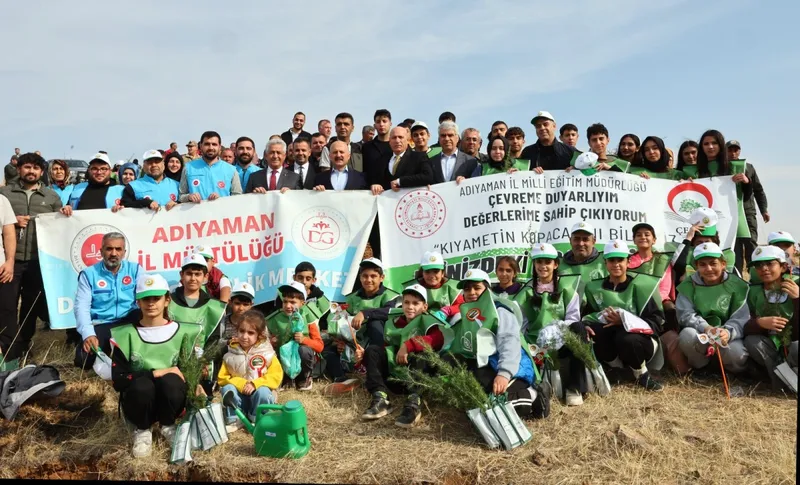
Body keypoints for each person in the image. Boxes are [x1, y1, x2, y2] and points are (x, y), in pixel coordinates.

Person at [109, 273, 203, 458]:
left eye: (156, 298)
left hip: (171, 399)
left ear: (167, 300)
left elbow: (190, 372)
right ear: (138, 302)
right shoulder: (124, 335)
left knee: (172, 382)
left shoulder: (183, 332)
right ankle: (143, 429)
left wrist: (198, 385)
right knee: (142, 386)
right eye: (145, 299)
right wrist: (156, 372)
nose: (151, 303)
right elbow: (119, 380)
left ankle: (168, 425)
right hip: (140, 399)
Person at [445, 269, 548, 419]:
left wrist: (504, 374)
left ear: (488, 289)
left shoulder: (500, 310)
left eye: (477, 287)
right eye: (467, 289)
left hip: (512, 367)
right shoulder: (466, 314)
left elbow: (509, 342)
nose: (471, 292)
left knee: (510, 409)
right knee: (484, 405)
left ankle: (534, 394)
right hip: (485, 366)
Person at [0, 154, 61, 366]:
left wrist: (66, 213)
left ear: (42, 172)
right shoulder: (5, 194)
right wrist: (12, 221)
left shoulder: (51, 196)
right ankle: (8, 349)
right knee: (7, 306)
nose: (31, 171)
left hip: (38, 260)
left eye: (36, 168)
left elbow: (60, 223)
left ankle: (24, 344)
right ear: (19, 169)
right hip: (11, 260)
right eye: (27, 167)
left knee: (30, 306)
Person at [582, 239, 665, 391]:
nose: (616, 264)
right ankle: (617, 369)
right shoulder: (594, 287)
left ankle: (641, 374)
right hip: (612, 340)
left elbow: (656, 320)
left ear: (628, 262)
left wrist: (626, 322)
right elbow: (589, 315)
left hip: (640, 342)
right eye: (611, 260)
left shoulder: (642, 285)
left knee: (626, 338)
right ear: (605, 263)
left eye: (620, 260)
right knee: (597, 331)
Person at [361, 284, 448, 427]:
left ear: (425, 307)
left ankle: (413, 404)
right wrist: (364, 358)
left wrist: (409, 345)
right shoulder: (395, 322)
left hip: (417, 378)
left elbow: (437, 340)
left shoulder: (429, 322)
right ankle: (381, 398)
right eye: (406, 302)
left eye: (416, 303)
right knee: (373, 350)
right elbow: (387, 349)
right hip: (395, 376)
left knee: (422, 354)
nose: (410, 307)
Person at [519, 243, 584, 405]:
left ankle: (574, 387)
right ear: (534, 265)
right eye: (539, 262)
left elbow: (573, 317)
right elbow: (522, 325)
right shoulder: (526, 291)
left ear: (555, 265)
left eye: (547, 262)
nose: (543, 266)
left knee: (579, 329)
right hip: (537, 346)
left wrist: (556, 330)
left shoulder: (566, 288)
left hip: (561, 340)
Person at [676, 242, 750, 375]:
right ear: (696, 266)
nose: (708, 269)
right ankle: (702, 369)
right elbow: (685, 314)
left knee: (736, 354)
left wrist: (726, 333)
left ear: (723, 264)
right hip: (702, 332)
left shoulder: (738, 285)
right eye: (702, 264)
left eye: (713, 263)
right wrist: (706, 327)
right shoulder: (688, 285)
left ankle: (731, 373)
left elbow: (741, 316)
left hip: (727, 334)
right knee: (687, 335)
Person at [73, 232, 142, 368]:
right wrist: (88, 334)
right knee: (84, 361)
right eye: (109, 249)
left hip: (129, 321)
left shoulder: (135, 270)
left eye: (118, 249)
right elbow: (81, 307)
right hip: (103, 323)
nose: (114, 253)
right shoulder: (89, 274)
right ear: (101, 251)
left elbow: (146, 298)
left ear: (124, 252)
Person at [743, 246, 799, 392]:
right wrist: (759, 323)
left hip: (793, 344)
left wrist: (798, 300)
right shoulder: (752, 292)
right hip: (770, 347)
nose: (764, 269)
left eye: (770, 263)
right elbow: (743, 324)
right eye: (759, 265)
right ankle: (779, 380)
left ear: (783, 266)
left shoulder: (796, 286)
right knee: (752, 341)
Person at [219, 309, 282, 431]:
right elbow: (222, 379)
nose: (244, 336)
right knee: (227, 389)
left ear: (259, 335)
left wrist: (255, 384)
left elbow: (276, 376)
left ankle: (258, 419)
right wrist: (241, 384)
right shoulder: (230, 354)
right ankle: (235, 419)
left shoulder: (267, 354)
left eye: (250, 333)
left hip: (259, 396)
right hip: (239, 399)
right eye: (241, 331)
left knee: (263, 391)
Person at [266, 281, 324, 391]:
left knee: (304, 350)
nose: (288, 306)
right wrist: (271, 342)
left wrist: (304, 340)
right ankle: (286, 379)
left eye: (293, 302)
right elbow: (262, 341)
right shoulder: (274, 318)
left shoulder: (308, 317)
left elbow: (320, 346)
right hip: (282, 359)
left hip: (302, 358)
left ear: (303, 303)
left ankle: (303, 379)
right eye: (285, 302)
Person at [727, 140, 770, 273]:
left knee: (751, 242)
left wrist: (764, 210)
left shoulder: (749, 167)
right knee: (735, 246)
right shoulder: (720, 168)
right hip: (729, 211)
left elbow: (758, 190)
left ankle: (756, 274)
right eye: (730, 150)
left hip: (747, 211)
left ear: (739, 151)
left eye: (736, 150)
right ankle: (738, 275)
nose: (733, 153)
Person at [168, 254, 228, 345]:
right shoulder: (168, 302)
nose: (193, 278)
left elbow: (213, 341)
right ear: (181, 275)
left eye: (197, 274)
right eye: (189, 274)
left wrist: (203, 359)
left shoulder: (214, 307)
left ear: (205, 276)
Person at [179, 131, 242, 203]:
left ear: (219, 147)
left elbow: (238, 197)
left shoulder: (231, 170)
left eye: (214, 144)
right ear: (201, 146)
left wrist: (222, 199)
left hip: (223, 213)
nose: (211, 147)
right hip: (196, 213)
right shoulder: (188, 167)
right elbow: (181, 196)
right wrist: (189, 197)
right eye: (207, 144)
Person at [368, 126, 433, 195]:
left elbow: (428, 176)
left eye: (400, 137)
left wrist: (400, 181)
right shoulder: (381, 160)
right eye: (394, 138)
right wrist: (375, 185)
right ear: (389, 141)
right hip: (385, 203)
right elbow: (373, 179)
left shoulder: (419, 157)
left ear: (408, 140)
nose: (397, 141)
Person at [559, 222, 607, 300]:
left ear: (593, 241)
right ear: (570, 240)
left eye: (585, 239)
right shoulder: (558, 265)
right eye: (576, 239)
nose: (581, 243)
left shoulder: (605, 262)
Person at [0, 194, 18, 368]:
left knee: (7, 316)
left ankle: (10, 365)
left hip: (1, 270)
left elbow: (9, 232)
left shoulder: (2, 200)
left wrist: (10, 261)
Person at [362, 109, 394, 184]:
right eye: (378, 121)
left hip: (394, 191)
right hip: (371, 191)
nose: (381, 124)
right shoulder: (367, 147)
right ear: (374, 126)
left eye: (384, 121)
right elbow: (364, 171)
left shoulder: (397, 145)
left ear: (390, 123)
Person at [220, 282, 255, 346]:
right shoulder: (223, 321)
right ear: (230, 303)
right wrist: (228, 342)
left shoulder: (256, 322)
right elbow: (217, 342)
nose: (241, 308)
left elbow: (263, 341)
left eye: (245, 304)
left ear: (251, 305)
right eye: (237, 303)